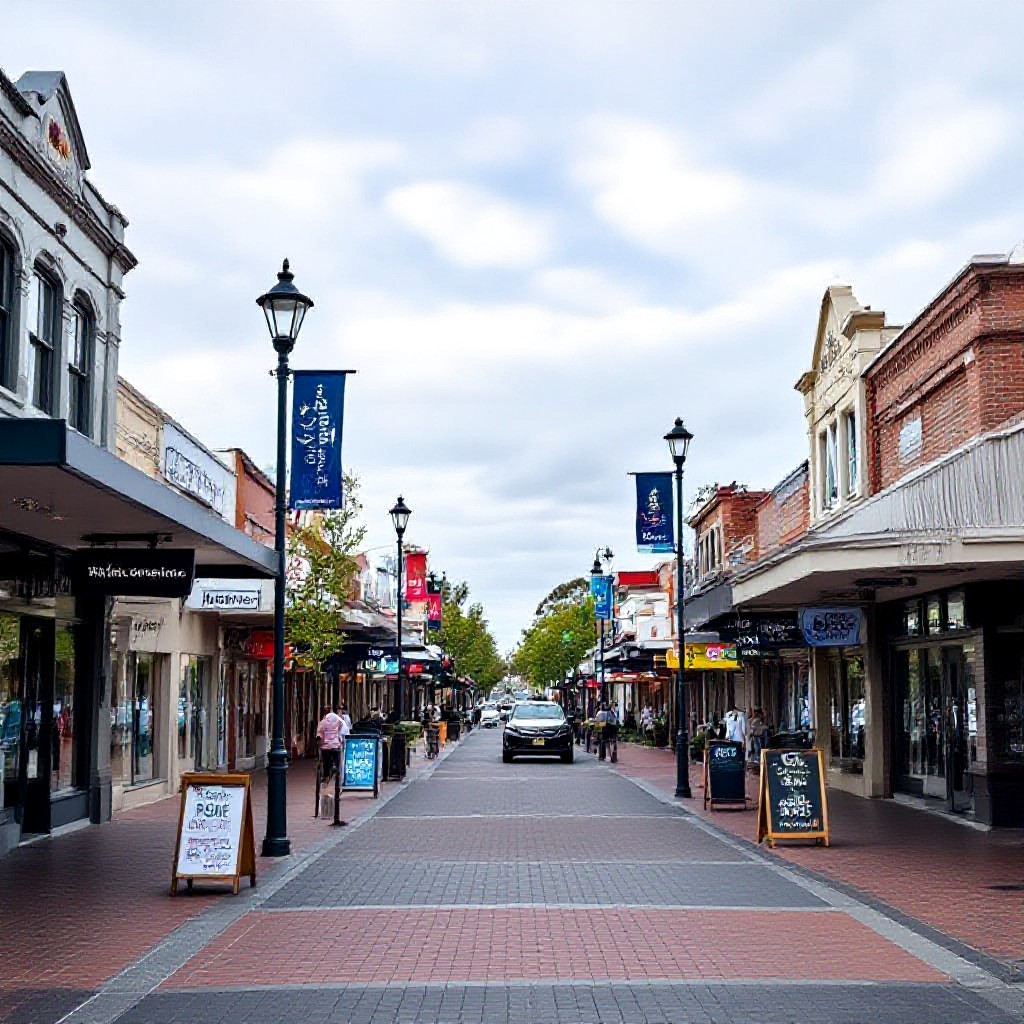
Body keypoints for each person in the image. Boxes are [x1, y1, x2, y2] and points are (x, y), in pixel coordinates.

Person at [316, 704, 345, 781]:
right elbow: (341, 725)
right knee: (337, 758)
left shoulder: (322, 722)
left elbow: (319, 734)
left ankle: (326, 776)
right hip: (336, 745)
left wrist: (319, 739)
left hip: (325, 747)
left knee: (325, 762)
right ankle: (337, 770)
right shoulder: (337, 721)